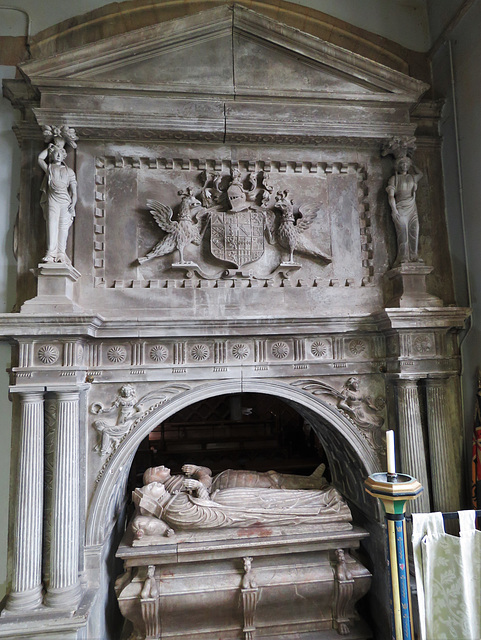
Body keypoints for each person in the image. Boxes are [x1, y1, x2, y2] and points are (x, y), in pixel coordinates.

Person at [131, 463, 351, 537]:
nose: (161, 468)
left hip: (225, 480)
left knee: (270, 479)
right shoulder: (175, 494)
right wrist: (199, 478)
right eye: (156, 471)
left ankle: (312, 484)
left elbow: (207, 473)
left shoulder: (177, 482)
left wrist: (198, 470)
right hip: (228, 490)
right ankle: (314, 490)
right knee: (271, 488)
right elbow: (205, 494)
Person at [38, 142, 77, 264]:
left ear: (64, 156)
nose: (59, 156)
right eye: (56, 153)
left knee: (63, 227)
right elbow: (39, 159)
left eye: (61, 153)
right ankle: (51, 253)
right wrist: (48, 149)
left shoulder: (69, 171)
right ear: (52, 155)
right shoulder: (50, 168)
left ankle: (61, 253)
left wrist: (73, 204)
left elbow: (74, 192)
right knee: (52, 224)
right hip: (52, 200)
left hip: (65, 201)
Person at [386, 155, 423, 265]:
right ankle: (403, 256)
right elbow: (391, 196)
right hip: (400, 208)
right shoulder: (394, 179)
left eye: (407, 163)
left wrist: (413, 163)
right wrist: (394, 210)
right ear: (398, 166)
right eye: (402, 163)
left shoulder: (412, 177)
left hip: (412, 207)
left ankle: (414, 255)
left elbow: (420, 174)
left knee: (414, 230)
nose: (404, 165)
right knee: (402, 231)